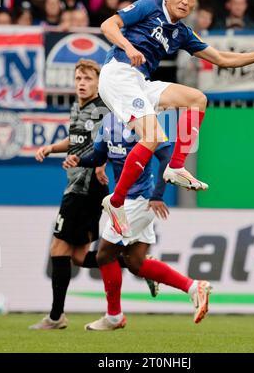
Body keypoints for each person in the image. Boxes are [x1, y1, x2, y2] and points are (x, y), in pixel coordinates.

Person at [98, 0, 254, 237]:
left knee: (197, 99)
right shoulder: (150, 6)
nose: (185, 1)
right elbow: (108, 25)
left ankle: (175, 166)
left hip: (140, 81)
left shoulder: (182, 32)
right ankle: (116, 202)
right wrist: (128, 47)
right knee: (152, 137)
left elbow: (221, 58)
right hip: (118, 73)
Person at [29, 59, 157, 330]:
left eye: (87, 79)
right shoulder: (78, 108)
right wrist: (52, 147)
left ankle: (56, 317)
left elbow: (108, 142)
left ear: (99, 83)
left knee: (58, 248)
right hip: (79, 186)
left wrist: (99, 164)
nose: (81, 83)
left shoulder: (103, 109)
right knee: (78, 256)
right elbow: (76, 141)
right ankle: (139, 264)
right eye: (78, 79)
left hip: (83, 189)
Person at [64, 112, 212, 330]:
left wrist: (158, 196)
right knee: (136, 262)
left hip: (139, 201)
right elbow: (99, 156)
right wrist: (80, 160)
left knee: (105, 255)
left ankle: (114, 316)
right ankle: (194, 287)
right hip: (130, 201)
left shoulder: (144, 120)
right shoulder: (108, 121)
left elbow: (166, 156)